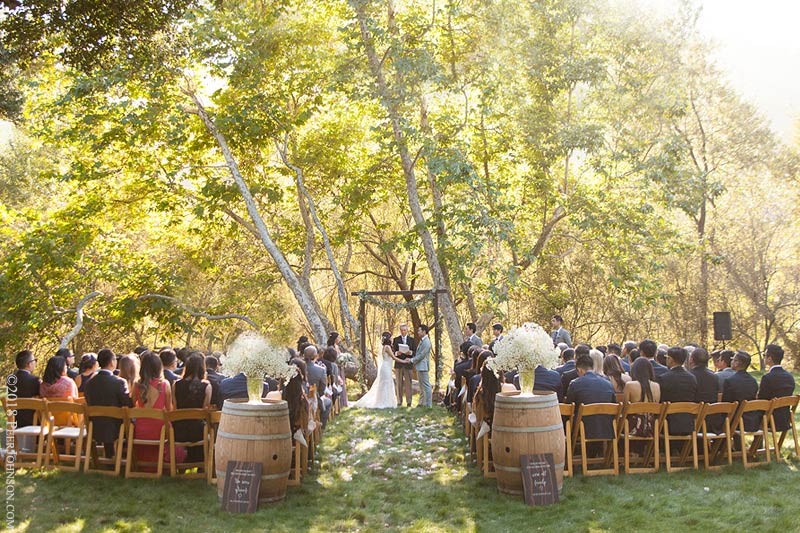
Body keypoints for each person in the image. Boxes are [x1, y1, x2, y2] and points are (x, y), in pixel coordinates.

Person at [132, 351, 184, 468]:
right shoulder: (165, 384)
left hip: (141, 430)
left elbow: (132, 406)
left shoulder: (137, 384)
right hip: (160, 430)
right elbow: (169, 410)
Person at [84, 348, 133, 457]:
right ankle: (127, 455)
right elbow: (127, 404)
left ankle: (110, 455)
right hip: (116, 428)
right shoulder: (119, 382)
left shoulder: (89, 384)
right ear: (112, 362)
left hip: (94, 426)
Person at [566, 353, 616, 442]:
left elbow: (568, 407)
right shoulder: (608, 383)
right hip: (606, 429)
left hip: (583, 430)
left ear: (579, 370)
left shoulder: (575, 383)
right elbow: (614, 405)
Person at [173, 354, 211, 463]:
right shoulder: (206, 386)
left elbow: (175, 408)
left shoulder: (176, 385)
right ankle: (200, 463)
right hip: (198, 432)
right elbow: (205, 409)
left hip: (178, 431)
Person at [657, 347, 698, 435]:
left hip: (668, 424)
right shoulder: (692, 378)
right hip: (688, 424)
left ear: (671, 360)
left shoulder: (664, 378)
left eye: (667, 358)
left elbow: (661, 400)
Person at [352, 332, 398, 409]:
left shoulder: (386, 347)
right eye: (391, 337)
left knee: (385, 384)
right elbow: (393, 357)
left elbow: (392, 355)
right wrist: (404, 361)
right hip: (386, 368)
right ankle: (385, 402)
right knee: (386, 384)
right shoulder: (387, 347)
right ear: (388, 338)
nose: (392, 339)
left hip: (386, 367)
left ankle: (385, 401)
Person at [757, 344, 795, 433]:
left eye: (764, 355)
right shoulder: (789, 377)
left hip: (770, 420)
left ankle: (757, 446)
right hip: (785, 420)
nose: (764, 358)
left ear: (769, 358)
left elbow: (762, 400)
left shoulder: (768, 377)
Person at [623, 358, 661, 438]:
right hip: (651, 428)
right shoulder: (656, 386)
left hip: (632, 427)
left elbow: (625, 409)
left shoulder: (629, 385)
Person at [722, 351, 760, 431]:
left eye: (733, 359)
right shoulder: (753, 381)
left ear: (736, 363)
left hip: (735, 421)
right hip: (751, 420)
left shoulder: (730, 381)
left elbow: (726, 404)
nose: (731, 361)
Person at [11, 350, 41, 428]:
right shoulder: (34, 380)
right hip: (32, 420)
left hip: (15, 420)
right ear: (28, 364)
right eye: (34, 360)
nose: (35, 363)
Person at [304, 345, 333, 423]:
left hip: (301, 399)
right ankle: (321, 424)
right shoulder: (321, 369)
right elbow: (323, 388)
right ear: (316, 356)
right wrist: (317, 395)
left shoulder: (298, 367)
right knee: (328, 402)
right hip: (314, 399)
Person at [392, 323, 416, 407]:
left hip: (408, 364)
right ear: (400, 331)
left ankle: (409, 402)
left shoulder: (412, 340)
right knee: (398, 383)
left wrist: (411, 352)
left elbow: (415, 352)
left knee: (408, 383)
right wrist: (396, 353)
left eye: (404, 330)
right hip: (398, 364)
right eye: (401, 330)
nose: (403, 332)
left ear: (407, 330)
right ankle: (399, 401)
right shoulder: (396, 339)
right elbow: (393, 352)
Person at [412, 324, 433, 407]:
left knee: (426, 386)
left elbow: (422, 355)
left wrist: (411, 360)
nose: (418, 332)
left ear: (424, 331)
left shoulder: (427, 342)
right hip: (420, 366)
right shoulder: (423, 340)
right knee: (421, 386)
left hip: (423, 367)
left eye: (419, 330)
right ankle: (422, 403)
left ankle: (428, 404)